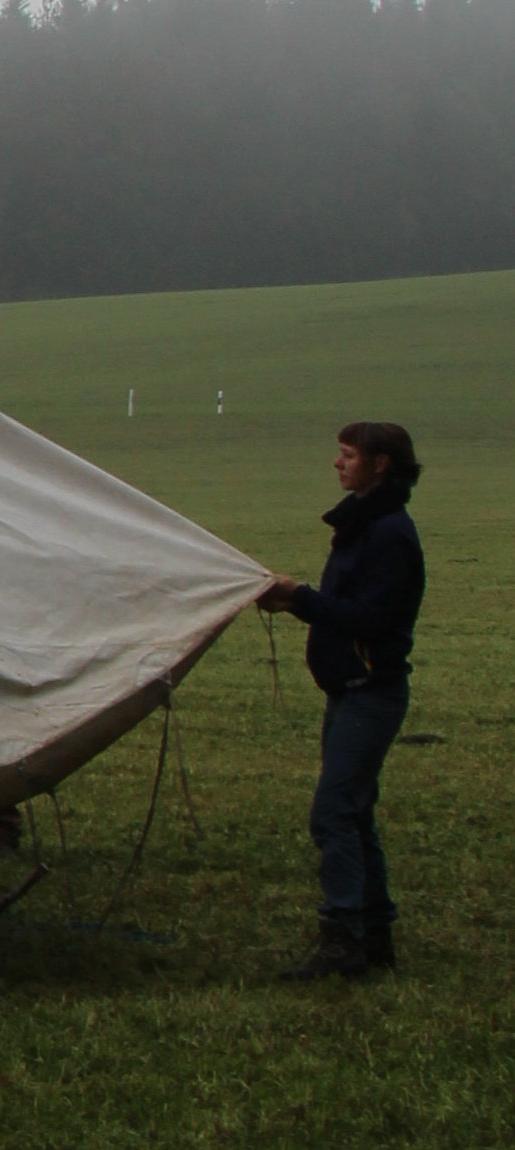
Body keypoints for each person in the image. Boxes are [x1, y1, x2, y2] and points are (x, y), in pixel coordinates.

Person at [255, 420, 426, 980]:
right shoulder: (365, 526)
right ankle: (374, 936)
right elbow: (347, 607)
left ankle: (343, 943)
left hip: (369, 695)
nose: (338, 463)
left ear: (380, 464)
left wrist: (301, 597)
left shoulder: (389, 534)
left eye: (348, 455)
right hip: (350, 693)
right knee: (355, 813)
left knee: (333, 812)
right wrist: (297, 602)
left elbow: (372, 618)